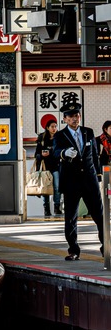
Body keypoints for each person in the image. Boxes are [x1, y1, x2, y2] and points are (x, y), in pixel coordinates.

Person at [53, 105, 105, 261]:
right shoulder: (60, 135)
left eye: (77, 115)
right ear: (65, 119)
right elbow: (55, 153)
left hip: (90, 180)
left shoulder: (88, 132)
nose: (74, 119)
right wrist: (64, 153)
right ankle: (73, 250)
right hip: (71, 182)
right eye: (70, 117)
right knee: (71, 217)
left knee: (99, 215)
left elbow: (95, 155)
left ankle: (106, 248)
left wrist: (98, 175)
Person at [34, 117, 61, 216]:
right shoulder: (42, 138)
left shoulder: (59, 137)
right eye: (52, 127)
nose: (54, 128)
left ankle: (56, 206)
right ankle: (46, 208)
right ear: (47, 128)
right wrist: (41, 154)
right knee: (45, 187)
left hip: (56, 165)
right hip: (45, 166)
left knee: (57, 186)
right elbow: (36, 154)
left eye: (55, 126)